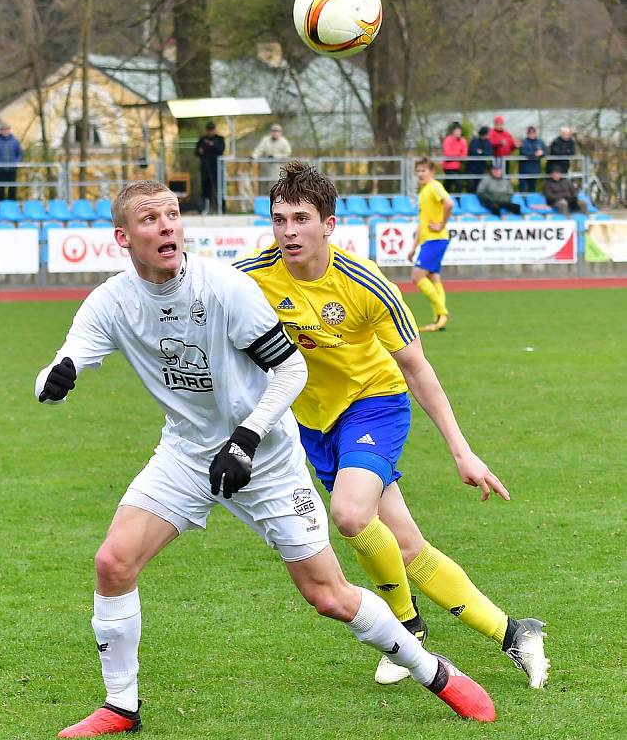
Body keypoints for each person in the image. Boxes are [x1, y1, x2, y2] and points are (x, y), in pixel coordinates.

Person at [36, 179, 497, 737]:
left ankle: (434, 672)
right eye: (150, 219)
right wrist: (55, 380)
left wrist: (249, 437)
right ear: (123, 237)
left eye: (172, 215)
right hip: (185, 453)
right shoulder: (112, 301)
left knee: (328, 596)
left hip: (268, 457)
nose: (166, 226)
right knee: (113, 563)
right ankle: (120, 707)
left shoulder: (224, 287)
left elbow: (290, 370)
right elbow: (64, 360)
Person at [234, 161, 549, 691]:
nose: (289, 231)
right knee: (404, 546)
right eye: (279, 219)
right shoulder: (250, 276)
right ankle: (516, 632)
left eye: (301, 219)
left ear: (328, 224)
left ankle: (407, 628)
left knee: (351, 515)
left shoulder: (364, 282)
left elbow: (417, 368)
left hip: (375, 404)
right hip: (315, 422)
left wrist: (461, 451)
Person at [406, 157, 453, 332]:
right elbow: (422, 223)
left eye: (424, 170)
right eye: (418, 171)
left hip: (436, 239)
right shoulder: (424, 191)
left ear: (432, 172)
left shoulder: (434, 186)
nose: (420, 174)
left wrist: (441, 224)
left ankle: (443, 312)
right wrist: (413, 247)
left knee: (417, 277)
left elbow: (449, 203)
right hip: (430, 240)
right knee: (433, 278)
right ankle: (438, 318)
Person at [252, 123, 292, 192]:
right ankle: (264, 202)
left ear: (280, 133)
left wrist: (275, 156)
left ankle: (275, 201)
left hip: (277, 169)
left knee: (275, 188)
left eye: (277, 131)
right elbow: (259, 150)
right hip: (265, 169)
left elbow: (287, 154)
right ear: (271, 132)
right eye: (274, 131)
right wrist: (253, 156)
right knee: (263, 188)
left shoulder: (284, 142)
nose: (275, 133)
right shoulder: (266, 140)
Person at [194, 121, 225, 213]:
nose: (210, 132)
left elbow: (221, 149)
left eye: (212, 130)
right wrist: (202, 150)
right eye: (209, 130)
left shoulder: (219, 139)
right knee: (205, 188)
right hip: (205, 167)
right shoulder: (202, 139)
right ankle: (205, 208)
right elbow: (197, 152)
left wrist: (212, 145)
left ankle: (222, 208)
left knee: (219, 187)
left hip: (217, 168)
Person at [0, 123, 23, 201]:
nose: (5, 131)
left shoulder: (15, 141)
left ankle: (12, 208)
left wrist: (15, 162)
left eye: (7, 129)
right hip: (0, 170)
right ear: (1, 131)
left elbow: (20, 154)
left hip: (12, 170)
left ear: (9, 130)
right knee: (0, 189)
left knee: (12, 189)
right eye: (3, 130)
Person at [518, 126, 546, 193]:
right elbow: (524, 152)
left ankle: (531, 202)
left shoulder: (540, 142)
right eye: (530, 133)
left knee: (532, 189)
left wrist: (542, 153)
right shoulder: (524, 142)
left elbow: (545, 151)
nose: (532, 134)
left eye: (533, 132)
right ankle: (522, 203)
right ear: (527, 134)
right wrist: (534, 154)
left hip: (534, 170)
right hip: (524, 170)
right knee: (522, 189)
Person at [441, 121, 468, 192]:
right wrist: (458, 154)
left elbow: (464, 155)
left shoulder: (463, 141)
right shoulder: (448, 139)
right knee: (458, 184)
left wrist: (455, 156)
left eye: (459, 131)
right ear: (453, 131)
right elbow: (447, 153)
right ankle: (458, 200)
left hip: (458, 167)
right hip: (448, 167)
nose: (458, 133)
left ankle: (443, 199)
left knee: (447, 185)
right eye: (456, 131)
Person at [466, 126, 493, 192]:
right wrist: (482, 152)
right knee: (471, 186)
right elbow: (473, 152)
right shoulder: (474, 141)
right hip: (471, 168)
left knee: (479, 187)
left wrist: (481, 152)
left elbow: (489, 153)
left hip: (481, 168)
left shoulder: (487, 142)